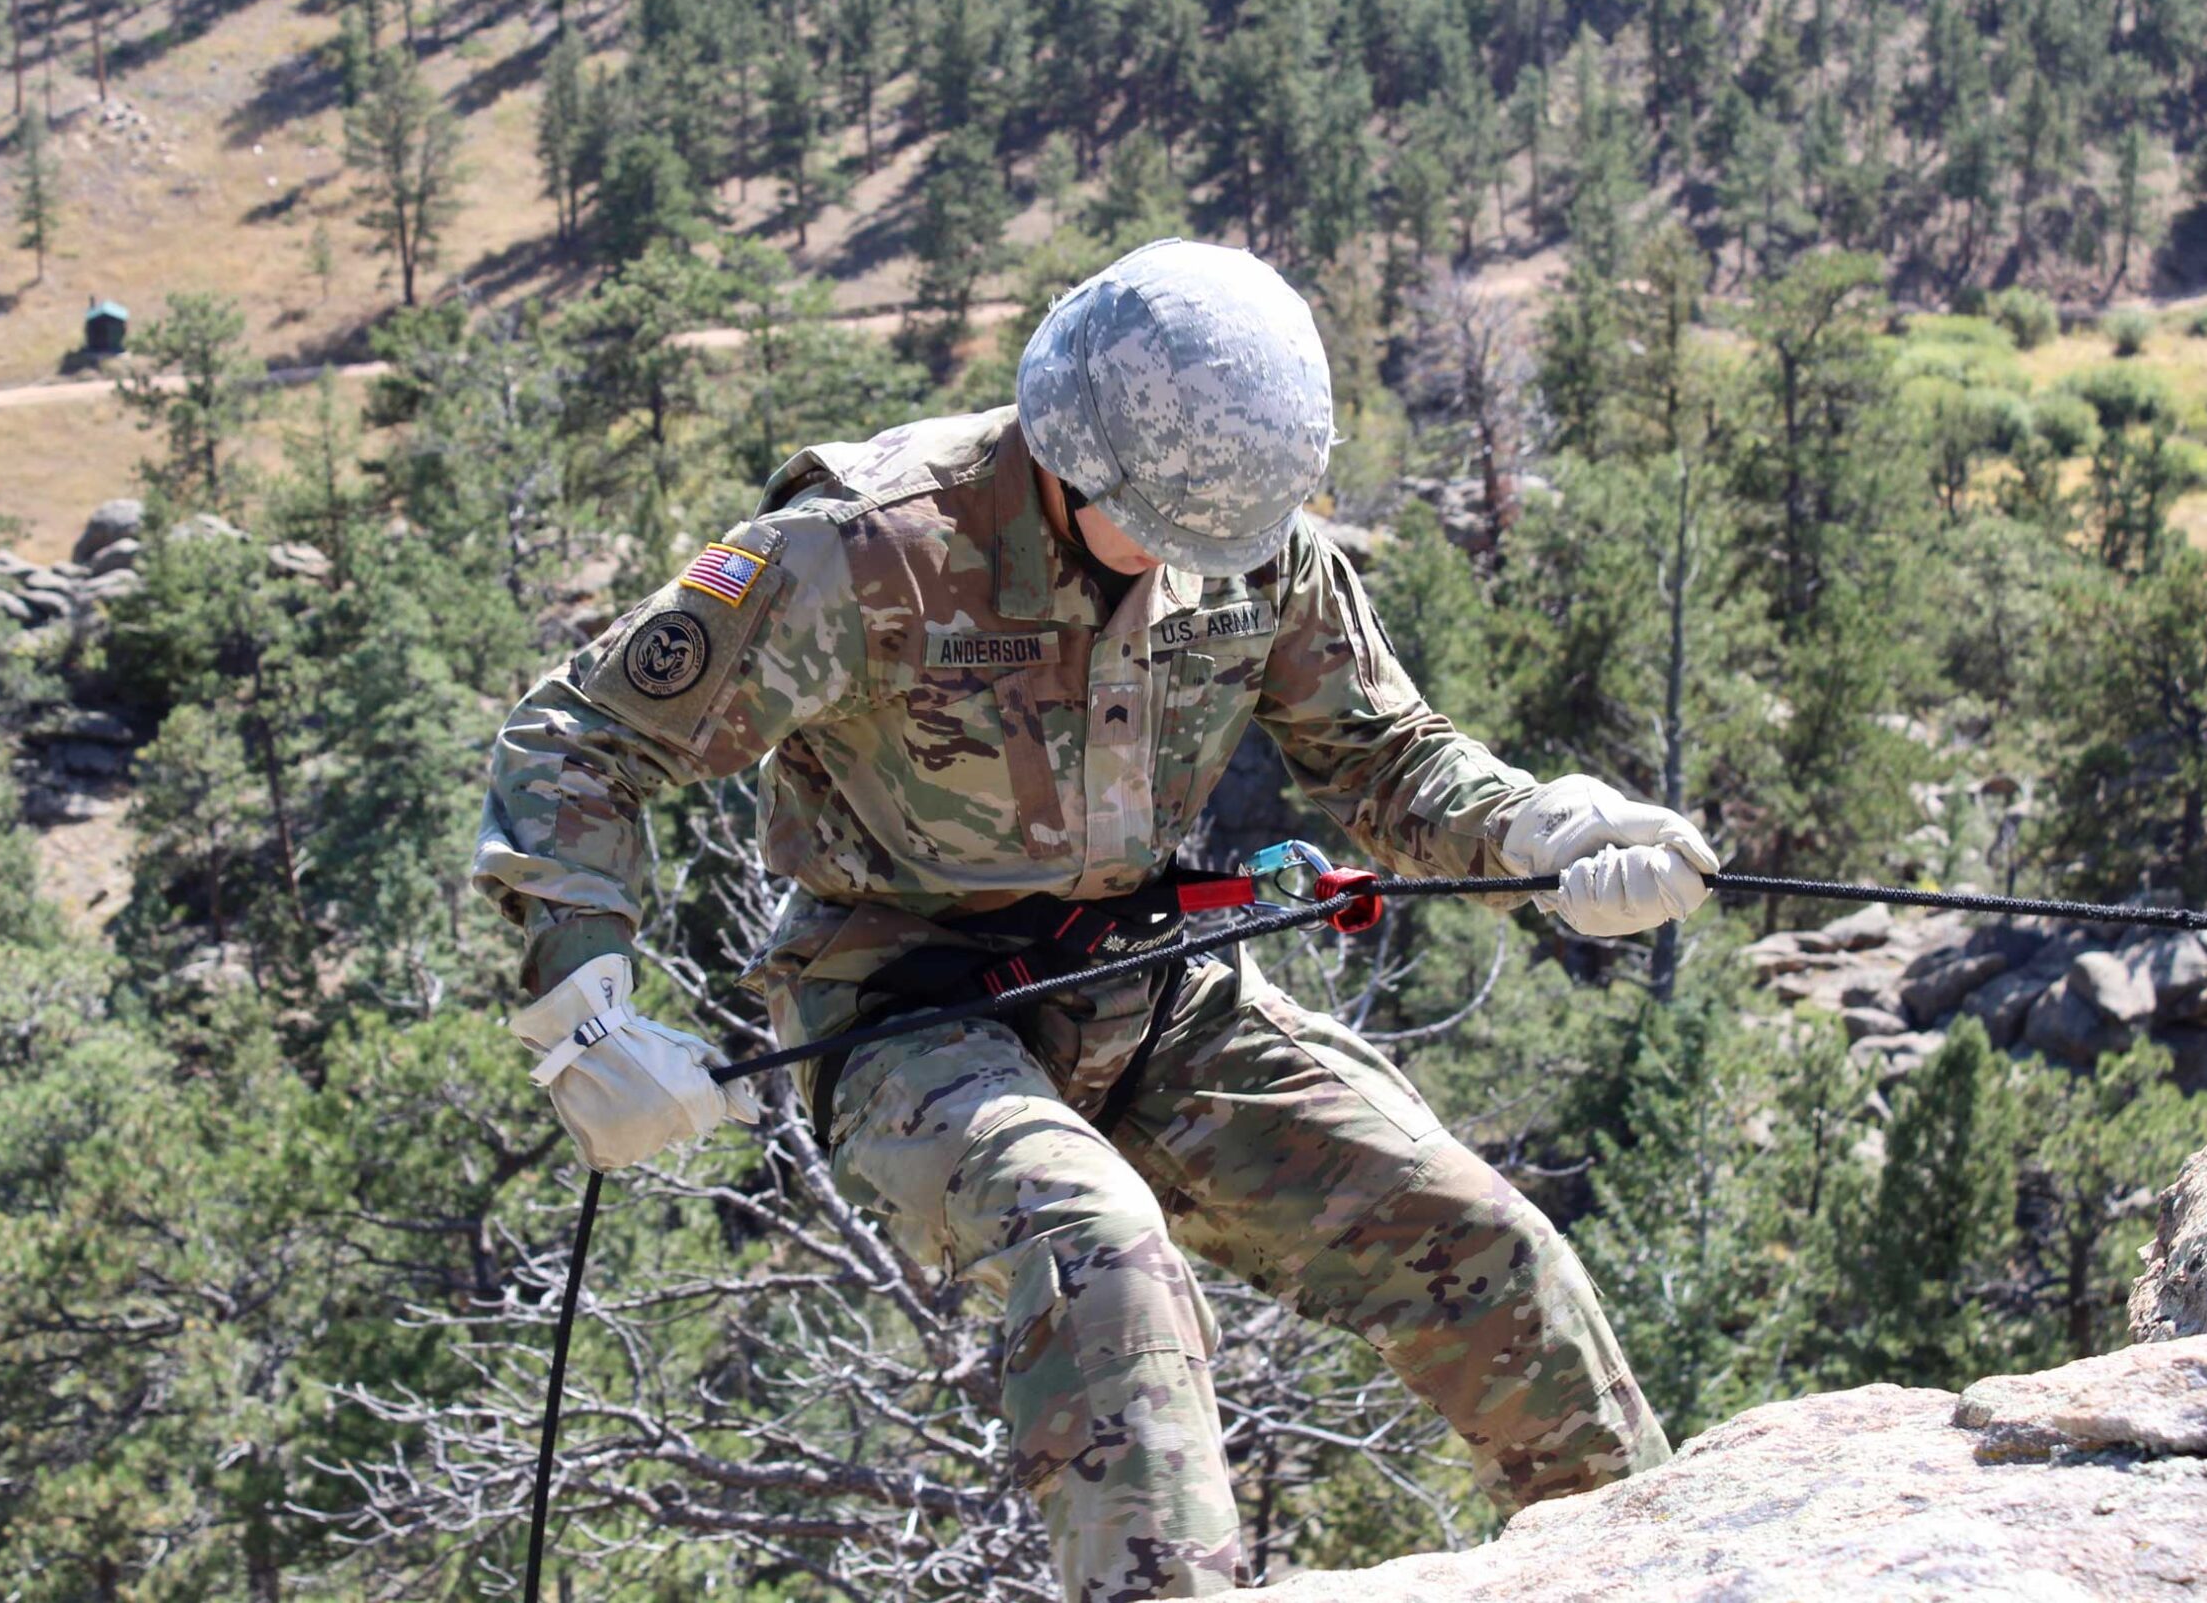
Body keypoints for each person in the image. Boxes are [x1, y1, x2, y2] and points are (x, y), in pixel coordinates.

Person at [475, 239, 1716, 1600]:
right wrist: (582, 1006)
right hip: (904, 1007)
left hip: (1149, 978)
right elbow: (582, 734)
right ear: (1072, 457)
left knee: (1481, 1248)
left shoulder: (1250, 537)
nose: (1193, 567)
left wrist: (1541, 832)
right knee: (1096, 1253)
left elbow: (1384, 755)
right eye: (1165, 534)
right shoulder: (868, 548)